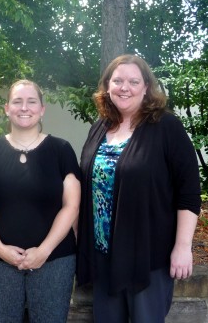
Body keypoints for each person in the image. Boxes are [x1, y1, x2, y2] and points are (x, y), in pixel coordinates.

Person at [76, 54, 201, 323]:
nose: (125, 87)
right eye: (118, 80)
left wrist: (183, 247)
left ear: (146, 87)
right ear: (107, 86)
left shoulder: (166, 127)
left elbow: (189, 192)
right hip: (104, 255)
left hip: (148, 256)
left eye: (134, 81)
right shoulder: (99, 128)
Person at [0, 79, 81, 323]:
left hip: (54, 260)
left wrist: (45, 250)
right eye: (17, 101)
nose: (24, 107)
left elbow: (71, 205)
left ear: (42, 109)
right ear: (7, 108)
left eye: (32, 102)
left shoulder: (61, 150)